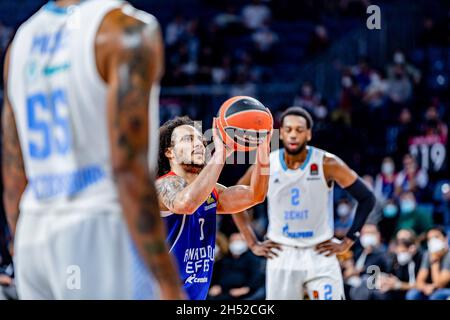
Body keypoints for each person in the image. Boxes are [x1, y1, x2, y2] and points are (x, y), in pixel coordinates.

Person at [2, 0, 184, 299]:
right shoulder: (127, 30)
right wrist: (167, 280)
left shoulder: (21, 41)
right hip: (98, 230)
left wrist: (18, 242)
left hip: (32, 232)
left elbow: (14, 165)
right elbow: (129, 169)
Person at [233, 106, 376, 300]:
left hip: (319, 252)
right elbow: (234, 199)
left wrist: (349, 239)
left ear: (308, 134)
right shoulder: (267, 164)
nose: (293, 135)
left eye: (299, 130)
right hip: (282, 254)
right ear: (281, 133)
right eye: (288, 129)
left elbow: (367, 197)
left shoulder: (327, 163)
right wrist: (252, 242)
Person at [155, 115, 271, 300]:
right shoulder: (163, 186)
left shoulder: (212, 192)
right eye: (188, 139)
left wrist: (263, 149)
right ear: (170, 152)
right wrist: (219, 156)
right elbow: (186, 204)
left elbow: (256, 195)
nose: (199, 144)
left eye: (200, 140)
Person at [207, 233, 265, 300]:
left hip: (244, 293)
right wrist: (216, 286)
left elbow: (257, 277)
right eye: (234, 240)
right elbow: (216, 275)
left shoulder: (252, 259)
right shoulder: (224, 259)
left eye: (239, 240)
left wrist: (246, 288)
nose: (236, 243)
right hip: (223, 292)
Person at [346, 224, 391, 300]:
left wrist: (356, 271)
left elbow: (376, 272)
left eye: (371, 233)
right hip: (353, 284)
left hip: (370, 286)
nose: (368, 236)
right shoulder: (358, 251)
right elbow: (348, 271)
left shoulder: (383, 254)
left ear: (378, 235)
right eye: (366, 233)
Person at [406, 226, 450, 300]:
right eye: (430, 239)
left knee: (436, 296)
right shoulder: (427, 254)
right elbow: (419, 281)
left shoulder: (448, 255)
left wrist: (434, 260)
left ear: (446, 239)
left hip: (446, 289)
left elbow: (440, 284)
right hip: (433, 288)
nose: (433, 241)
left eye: (436, 237)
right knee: (412, 294)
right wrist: (425, 287)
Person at [378, 231, 423, 300]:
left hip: (416, 291)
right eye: (398, 253)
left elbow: (419, 285)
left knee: (412, 295)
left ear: (412, 248)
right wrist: (387, 281)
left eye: (403, 252)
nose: (401, 255)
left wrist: (398, 285)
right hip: (400, 291)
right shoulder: (396, 259)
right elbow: (392, 275)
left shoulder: (420, 258)